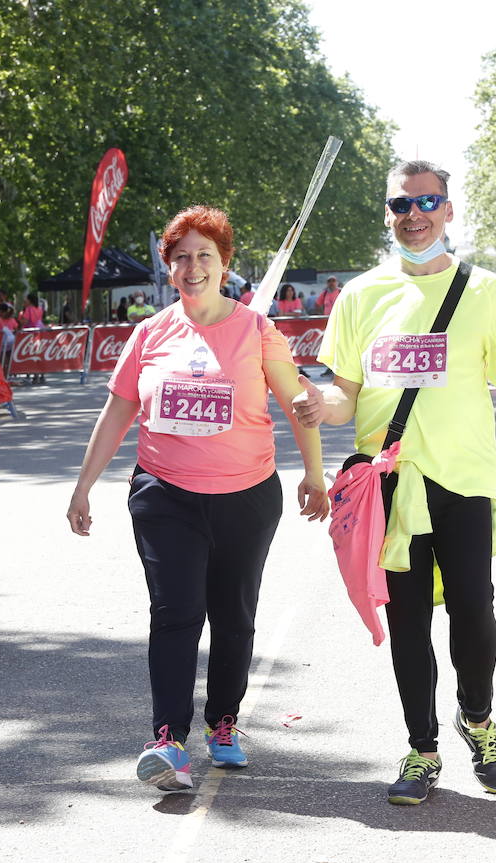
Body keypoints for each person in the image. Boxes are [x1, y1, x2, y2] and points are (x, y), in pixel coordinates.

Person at [291, 159, 496, 805]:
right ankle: (421, 750)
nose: (413, 215)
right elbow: (344, 396)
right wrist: (318, 404)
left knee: (474, 611)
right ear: (387, 213)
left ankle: (476, 720)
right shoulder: (360, 295)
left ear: (448, 210)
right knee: (410, 622)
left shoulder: (484, 293)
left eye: (427, 202)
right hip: (388, 485)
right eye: (400, 204)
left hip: (463, 480)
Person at [65, 205, 328, 792]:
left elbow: (298, 404)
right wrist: (84, 485)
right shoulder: (150, 333)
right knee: (175, 613)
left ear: (224, 263)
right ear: (169, 267)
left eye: (204, 255)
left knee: (233, 617)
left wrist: (315, 474)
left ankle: (224, 723)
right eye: (180, 256)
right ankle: (167, 740)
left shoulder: (258, 331)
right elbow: (116, 414)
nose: (192, 266)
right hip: (166, 496)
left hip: (247, 497)